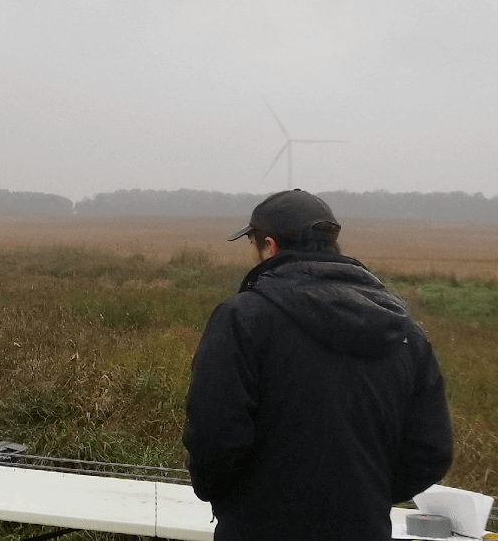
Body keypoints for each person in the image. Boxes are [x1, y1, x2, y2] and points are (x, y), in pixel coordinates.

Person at [184, 189, 453, 540]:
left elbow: (213, 435)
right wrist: (365, 495)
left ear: (270, 246)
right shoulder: (403, 331)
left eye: (251, 245)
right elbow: (431, 451)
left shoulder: (243, 318)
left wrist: (235, 499)